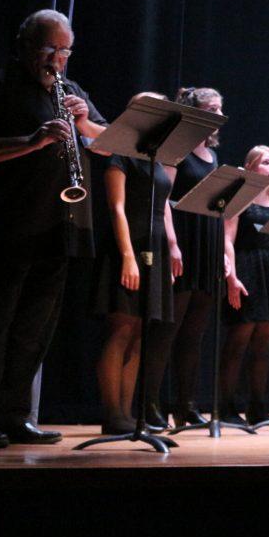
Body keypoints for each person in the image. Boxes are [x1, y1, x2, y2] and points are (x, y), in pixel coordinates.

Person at [0, 9, 107, 448]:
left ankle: (16, 415)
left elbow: (107, 140)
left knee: (34, 329)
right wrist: (32, 141)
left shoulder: (71, 90)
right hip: (6, 223)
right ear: (24, 45)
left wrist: (83, 123)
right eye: (49, 48)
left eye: (65, 50)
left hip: (60, 226)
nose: (57, 59)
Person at [92, 93, 180, 434]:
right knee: (121, 329)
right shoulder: (121, 153)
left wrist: (171, 249)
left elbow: (164, 206)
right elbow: (116, 209)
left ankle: (129, 415)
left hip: (154, 248)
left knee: (140, 332)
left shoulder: (156, 155)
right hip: (128, 247)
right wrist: (128, 256)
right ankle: (112, 414)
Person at [142, 86, 224, 429]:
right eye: (212, 109)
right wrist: (173, 245)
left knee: (194, 333)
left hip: (207, 242)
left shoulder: (212, 155)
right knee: (168, 330)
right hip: (183, 240)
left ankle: (186, 404)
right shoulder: (177, 149)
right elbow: (162, 199)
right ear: (194, 111)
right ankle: (149, 405)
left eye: (221, 109)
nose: (219, 115)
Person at [220, 145, 269, 425]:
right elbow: (227, 238)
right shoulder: (240, 197)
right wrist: (232, 277)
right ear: (250, 167)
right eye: (265, 163)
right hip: (247, 268)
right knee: (239, 340)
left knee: (263, 343)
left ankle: (257, 407)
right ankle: (225, 406)